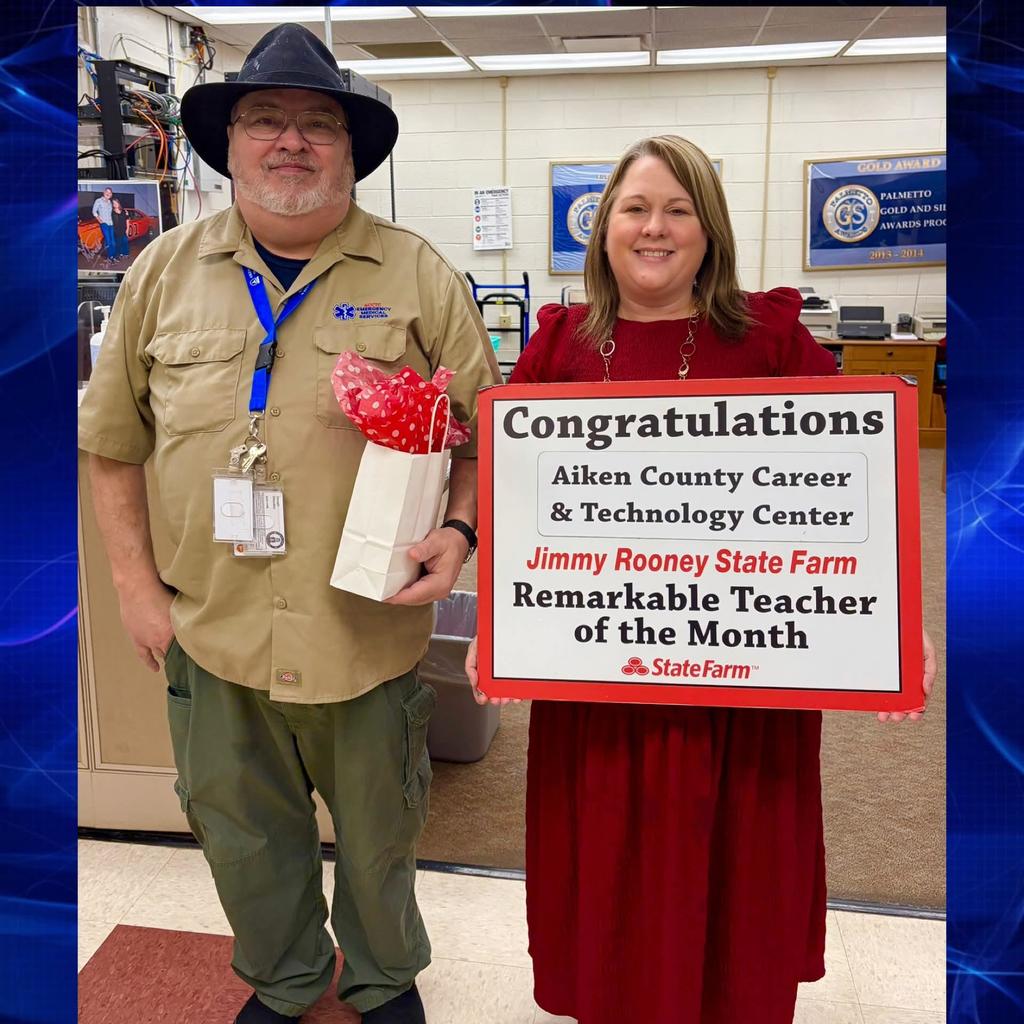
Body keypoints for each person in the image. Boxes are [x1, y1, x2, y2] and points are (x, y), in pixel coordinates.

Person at [79, 23, 500, 1024]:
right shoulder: (162, 274)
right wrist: (136, 589)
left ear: (352, 150)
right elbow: (113, 443)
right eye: (264, 119)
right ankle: (288, 980)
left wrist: (461, 535)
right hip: (214, 629)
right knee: (241, 832)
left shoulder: (417, 275)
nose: (291, 141)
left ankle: (382, 979)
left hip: (366, 630)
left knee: (381, 832)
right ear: (228, 145)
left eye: (320, 123)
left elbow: (483, 441)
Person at [465, 134, 937, 1024]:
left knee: (736, 878)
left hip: (744, 684)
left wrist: (895, 617)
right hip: (599, 681)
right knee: (611, 871)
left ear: (709, 229)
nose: (655, 227)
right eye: (636, 208)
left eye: (678, 210)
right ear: (604, 227)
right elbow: (517, 503)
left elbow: (859, 488)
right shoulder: (560, 347)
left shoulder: (772, 337)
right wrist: (502, 621)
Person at [91, 186, 115, 260]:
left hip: (111, 224)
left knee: (113, 241)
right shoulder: (98, 201)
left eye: (110, 193)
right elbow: (94, 211)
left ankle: (112, 256)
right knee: (108, 240)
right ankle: (110, 257)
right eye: (107, 192)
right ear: (104, 192)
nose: (108, 193)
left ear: (111, 194)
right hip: (104, 223)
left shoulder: (110, 202)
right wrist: (100, 221)